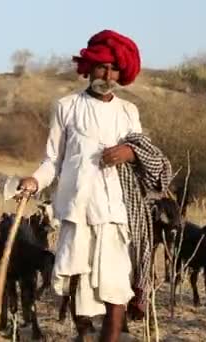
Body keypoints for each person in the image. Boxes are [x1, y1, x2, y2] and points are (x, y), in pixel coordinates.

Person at [18, 29, 171, 342]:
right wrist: (34, 180)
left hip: (117, 210)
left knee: (116, 285)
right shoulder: (66, 106)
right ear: (89, 67)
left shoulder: (128, 112)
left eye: (115, 69)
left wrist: (129, 152)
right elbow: (52, 161)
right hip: (77, 210)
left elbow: (144, 151)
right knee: (78, 282)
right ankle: (85, 335)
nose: (108, 74)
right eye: (103, 66)